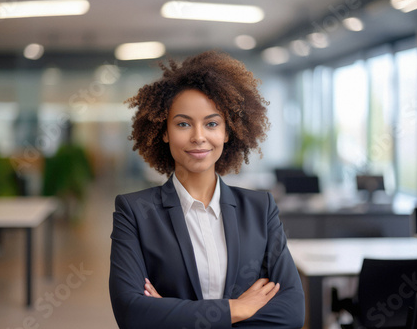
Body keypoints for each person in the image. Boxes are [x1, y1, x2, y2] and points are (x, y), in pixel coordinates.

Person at [109, 50, 305, 328]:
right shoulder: (135, 212)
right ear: (164, 131)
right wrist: (235, 309)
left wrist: (171, 313)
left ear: (227, 131)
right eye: (183, 124)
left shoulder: (261, 208)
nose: (198, 136)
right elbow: (132, 314)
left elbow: (291, 314)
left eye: (211, 123)